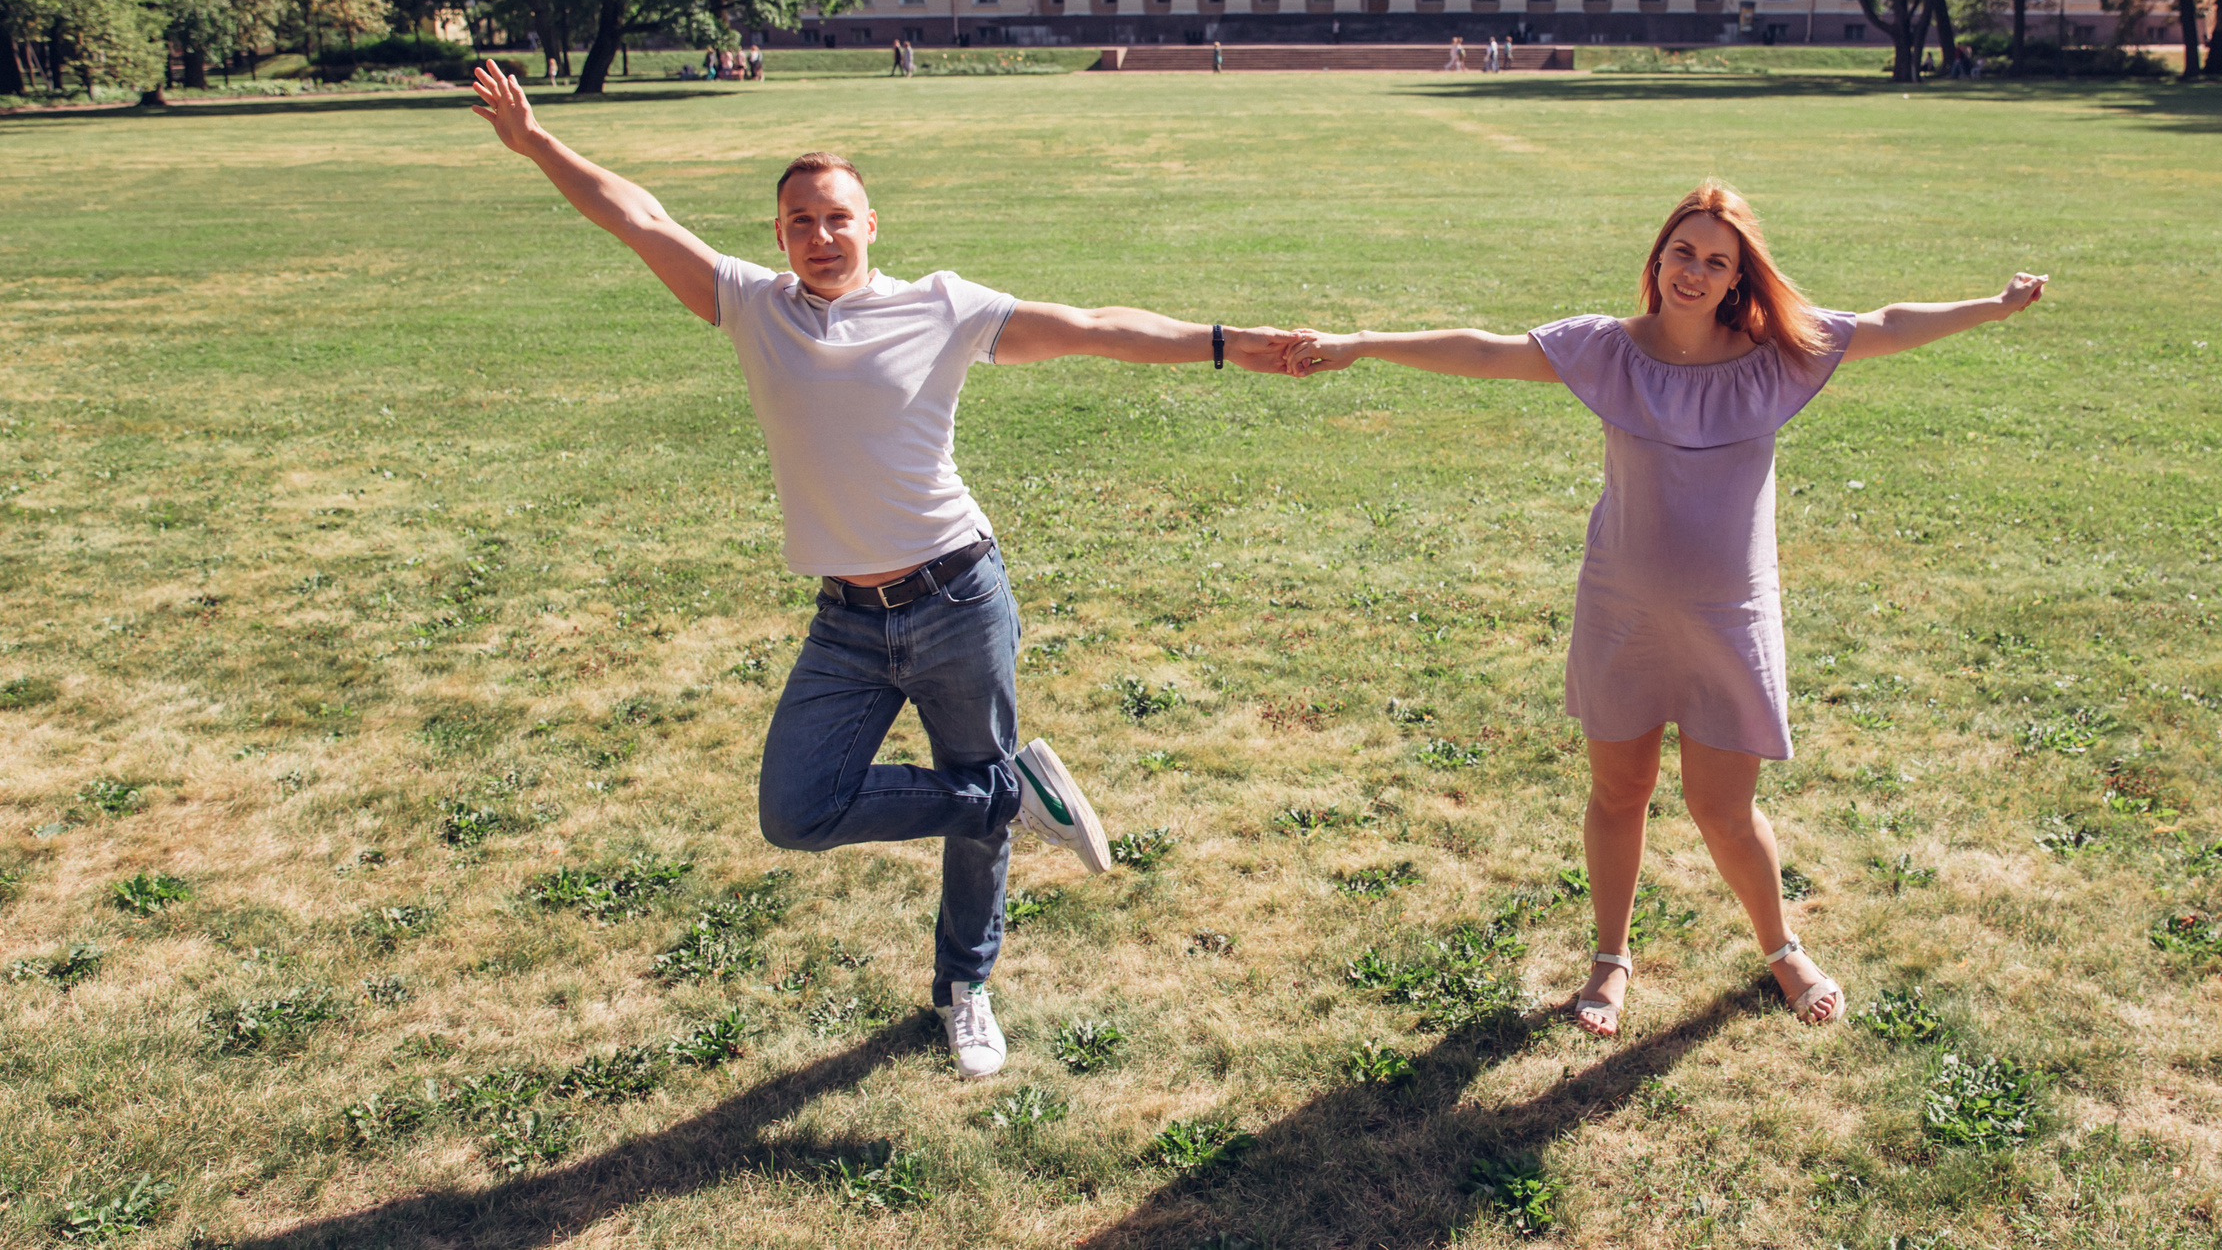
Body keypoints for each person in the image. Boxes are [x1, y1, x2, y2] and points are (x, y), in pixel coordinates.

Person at [466, 61, 1307, 1078]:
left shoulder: (942, 307)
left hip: (958, 597)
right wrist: (536, 144)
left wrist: (1222, 344)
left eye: (837, 217)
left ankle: (965, 987)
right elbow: (638, 217)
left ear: (872, 225)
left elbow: (1089, 327)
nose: (819, 236)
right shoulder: (749, 306)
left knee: (970, 807)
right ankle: (1010, 795)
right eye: (798, 222)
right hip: (846, 624)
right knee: (799, 808)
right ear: (777, 236)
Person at [1284, 180, 2045, 1037]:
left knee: (1724, 807)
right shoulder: (1610, 349)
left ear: (1736, 278)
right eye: (1683, 250)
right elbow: (1488, 350)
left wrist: (1992, 306)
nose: (1695, 270)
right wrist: (1361, 344)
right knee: (1620, 791)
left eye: (1716, 260)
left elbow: (1891, 323)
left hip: (1731, 618)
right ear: (1659, 257)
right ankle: (1610, 961)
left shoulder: (1778, 352)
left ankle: (1781, 946)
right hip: (1624, 612)